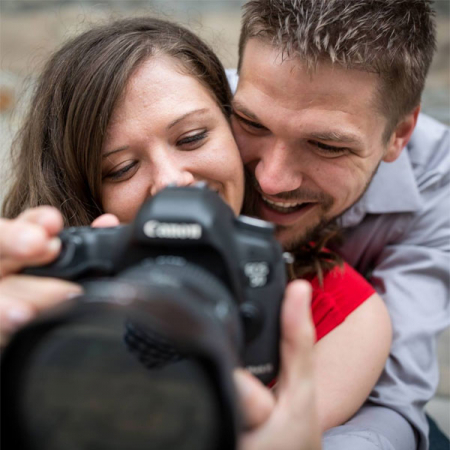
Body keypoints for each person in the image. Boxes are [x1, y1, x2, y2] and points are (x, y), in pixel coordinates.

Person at [0, 16, 392, 448]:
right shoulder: (57, 293)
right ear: (84, 191)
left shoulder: (336, 314)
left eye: (191, 138)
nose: (171, 180)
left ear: (234, 129)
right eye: (121, 168)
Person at [226, 1, 450, 449]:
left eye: (326, 145)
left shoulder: (437, 179)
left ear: (399, 133)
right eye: (252, 122)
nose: (272, 179)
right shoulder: (191, 109)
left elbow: (392, 398)